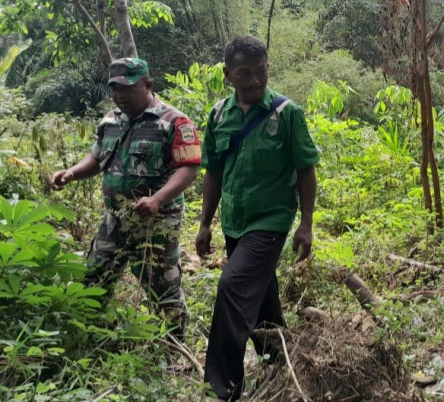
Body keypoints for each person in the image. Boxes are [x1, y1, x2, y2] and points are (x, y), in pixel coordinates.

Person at [196, 36, 319, 402]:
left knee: (232, 287)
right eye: (244, 74)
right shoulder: (219, 115)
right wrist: (205, 223)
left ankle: (222, 387)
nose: (254, 81)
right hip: (235, 220)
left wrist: (307, 223)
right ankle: (278, 357)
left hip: (272, 219)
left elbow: (305, 170)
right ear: (227, 75)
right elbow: (214, 172)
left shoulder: (287, 113)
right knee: (261, 293)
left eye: (261, 71)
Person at [49, 58, 201, 334]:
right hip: (114, 220)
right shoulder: (111, 120)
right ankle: (90, 338)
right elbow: (96, 158)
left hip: (155, 223)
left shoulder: (174, 122)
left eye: (127, 89)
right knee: (95, 278)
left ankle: (174, 348)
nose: (120, 96)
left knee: (162, 287)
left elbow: (188, 169)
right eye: (114, 89)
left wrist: (158, 199)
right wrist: (71, 172)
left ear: (147, 85)